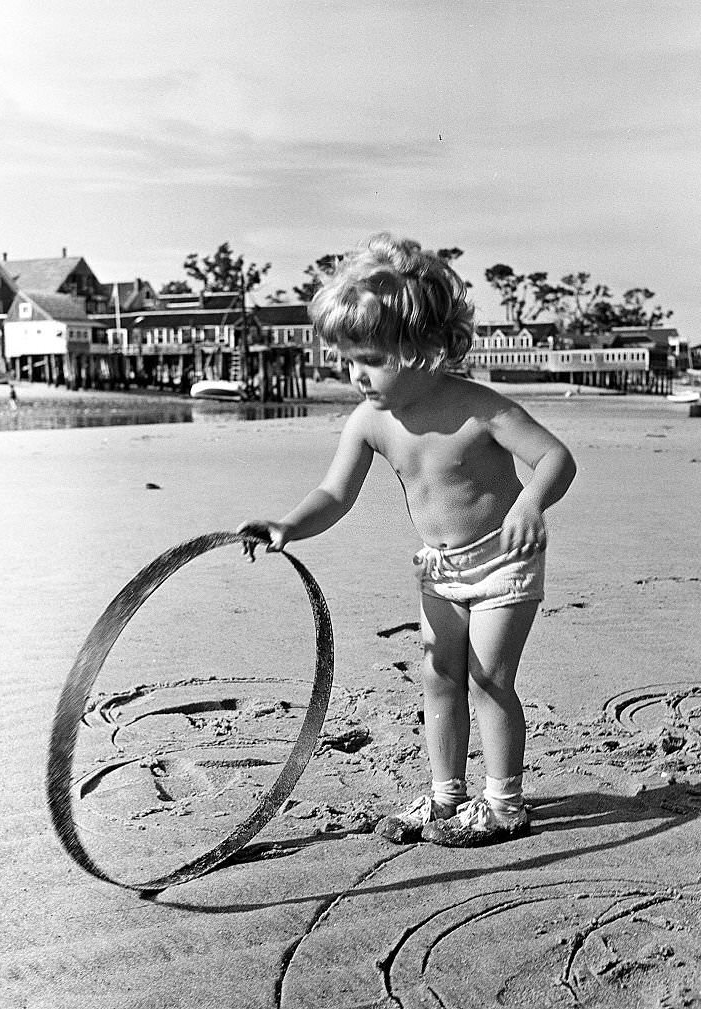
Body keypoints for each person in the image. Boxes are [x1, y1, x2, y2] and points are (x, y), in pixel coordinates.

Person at [238, 233, 576, 847]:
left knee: (488, 678)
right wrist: (288, 525)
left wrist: (530, 501)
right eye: (346, 360)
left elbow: (555, 458)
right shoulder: (369, 422)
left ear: (420, 349)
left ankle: (504, 804)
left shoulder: (481, 410)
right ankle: (446, 798)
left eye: (368, 359)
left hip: (504, 560)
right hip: (439, 566)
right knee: (437, 675)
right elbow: (334, 495)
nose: (354, 375)